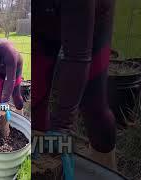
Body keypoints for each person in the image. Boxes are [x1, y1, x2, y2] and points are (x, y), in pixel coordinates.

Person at [33, 0, 117, 175]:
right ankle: (43, 168)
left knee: (94, 106)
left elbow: (77, 57)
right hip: (45, 21)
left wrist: (61, 128)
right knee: (37, 100)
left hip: (92, 20)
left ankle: (105, 169)